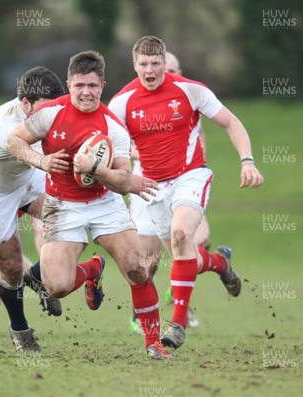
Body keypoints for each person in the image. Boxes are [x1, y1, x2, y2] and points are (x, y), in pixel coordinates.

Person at [6, 51, 171, 359]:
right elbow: (14, 141)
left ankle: (153, 342)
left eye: (93, 86)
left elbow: (123, 180)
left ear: (102, 86)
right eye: (80, 85)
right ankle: (93, 269)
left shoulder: (112, 126)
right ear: (69, 84)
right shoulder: (50, 114)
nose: (86, 92)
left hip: (104, 202)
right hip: (61, 204)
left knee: (137, 268)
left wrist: (95, 169)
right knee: (55, 286)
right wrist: (40, 160)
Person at [109, 36, 263, 351]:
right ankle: (220, 263)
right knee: (183, 256)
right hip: (151, 187)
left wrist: (247, 161)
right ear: (134, 64)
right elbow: (110, 146)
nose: (149, 70)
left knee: (181, 236)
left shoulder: (190, 90)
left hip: (190, 176)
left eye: (155, 63)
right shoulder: (122, 102)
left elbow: (231, 122)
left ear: (165, 63)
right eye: (143, 64)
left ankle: (177, 324)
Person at [0, 67, 66, 353]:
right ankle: (20, 330)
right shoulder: (8, 127)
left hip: (24, 175)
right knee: (12, 267)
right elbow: (23, 149)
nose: (50, 116)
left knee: (68, 218)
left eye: (55, 108)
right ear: (25, 104)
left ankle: (39, 275)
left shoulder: (45, 113)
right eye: (44, 109)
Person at [126, 51, 207, 333]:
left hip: (186, 180)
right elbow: (118, 142)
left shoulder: (188, 99)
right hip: (147, 184)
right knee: (148, 259)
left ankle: (180, 304)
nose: (162, 74)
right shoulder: (132, 101)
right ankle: (142, 313)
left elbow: (200, 144)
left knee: (193, 238)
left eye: (171, 69)